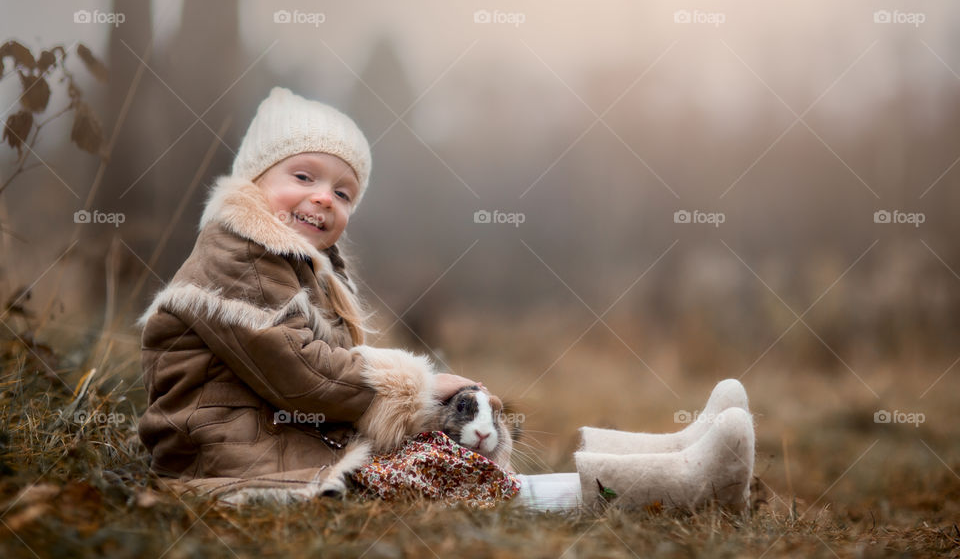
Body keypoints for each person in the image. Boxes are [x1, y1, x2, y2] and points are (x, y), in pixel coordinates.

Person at [137, 87, 755, 511]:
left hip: (274, 445)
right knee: (456, 477)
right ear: (253, 182)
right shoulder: (236, 255)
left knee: (458, 457)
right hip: (227, 466)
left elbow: (319, 375)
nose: (325, 197)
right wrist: (416, 385)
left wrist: (420, 398)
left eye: (345, 191)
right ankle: (679, 485)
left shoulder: (283, 264)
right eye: (304, 176)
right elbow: (301, 376)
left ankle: (673, 448)